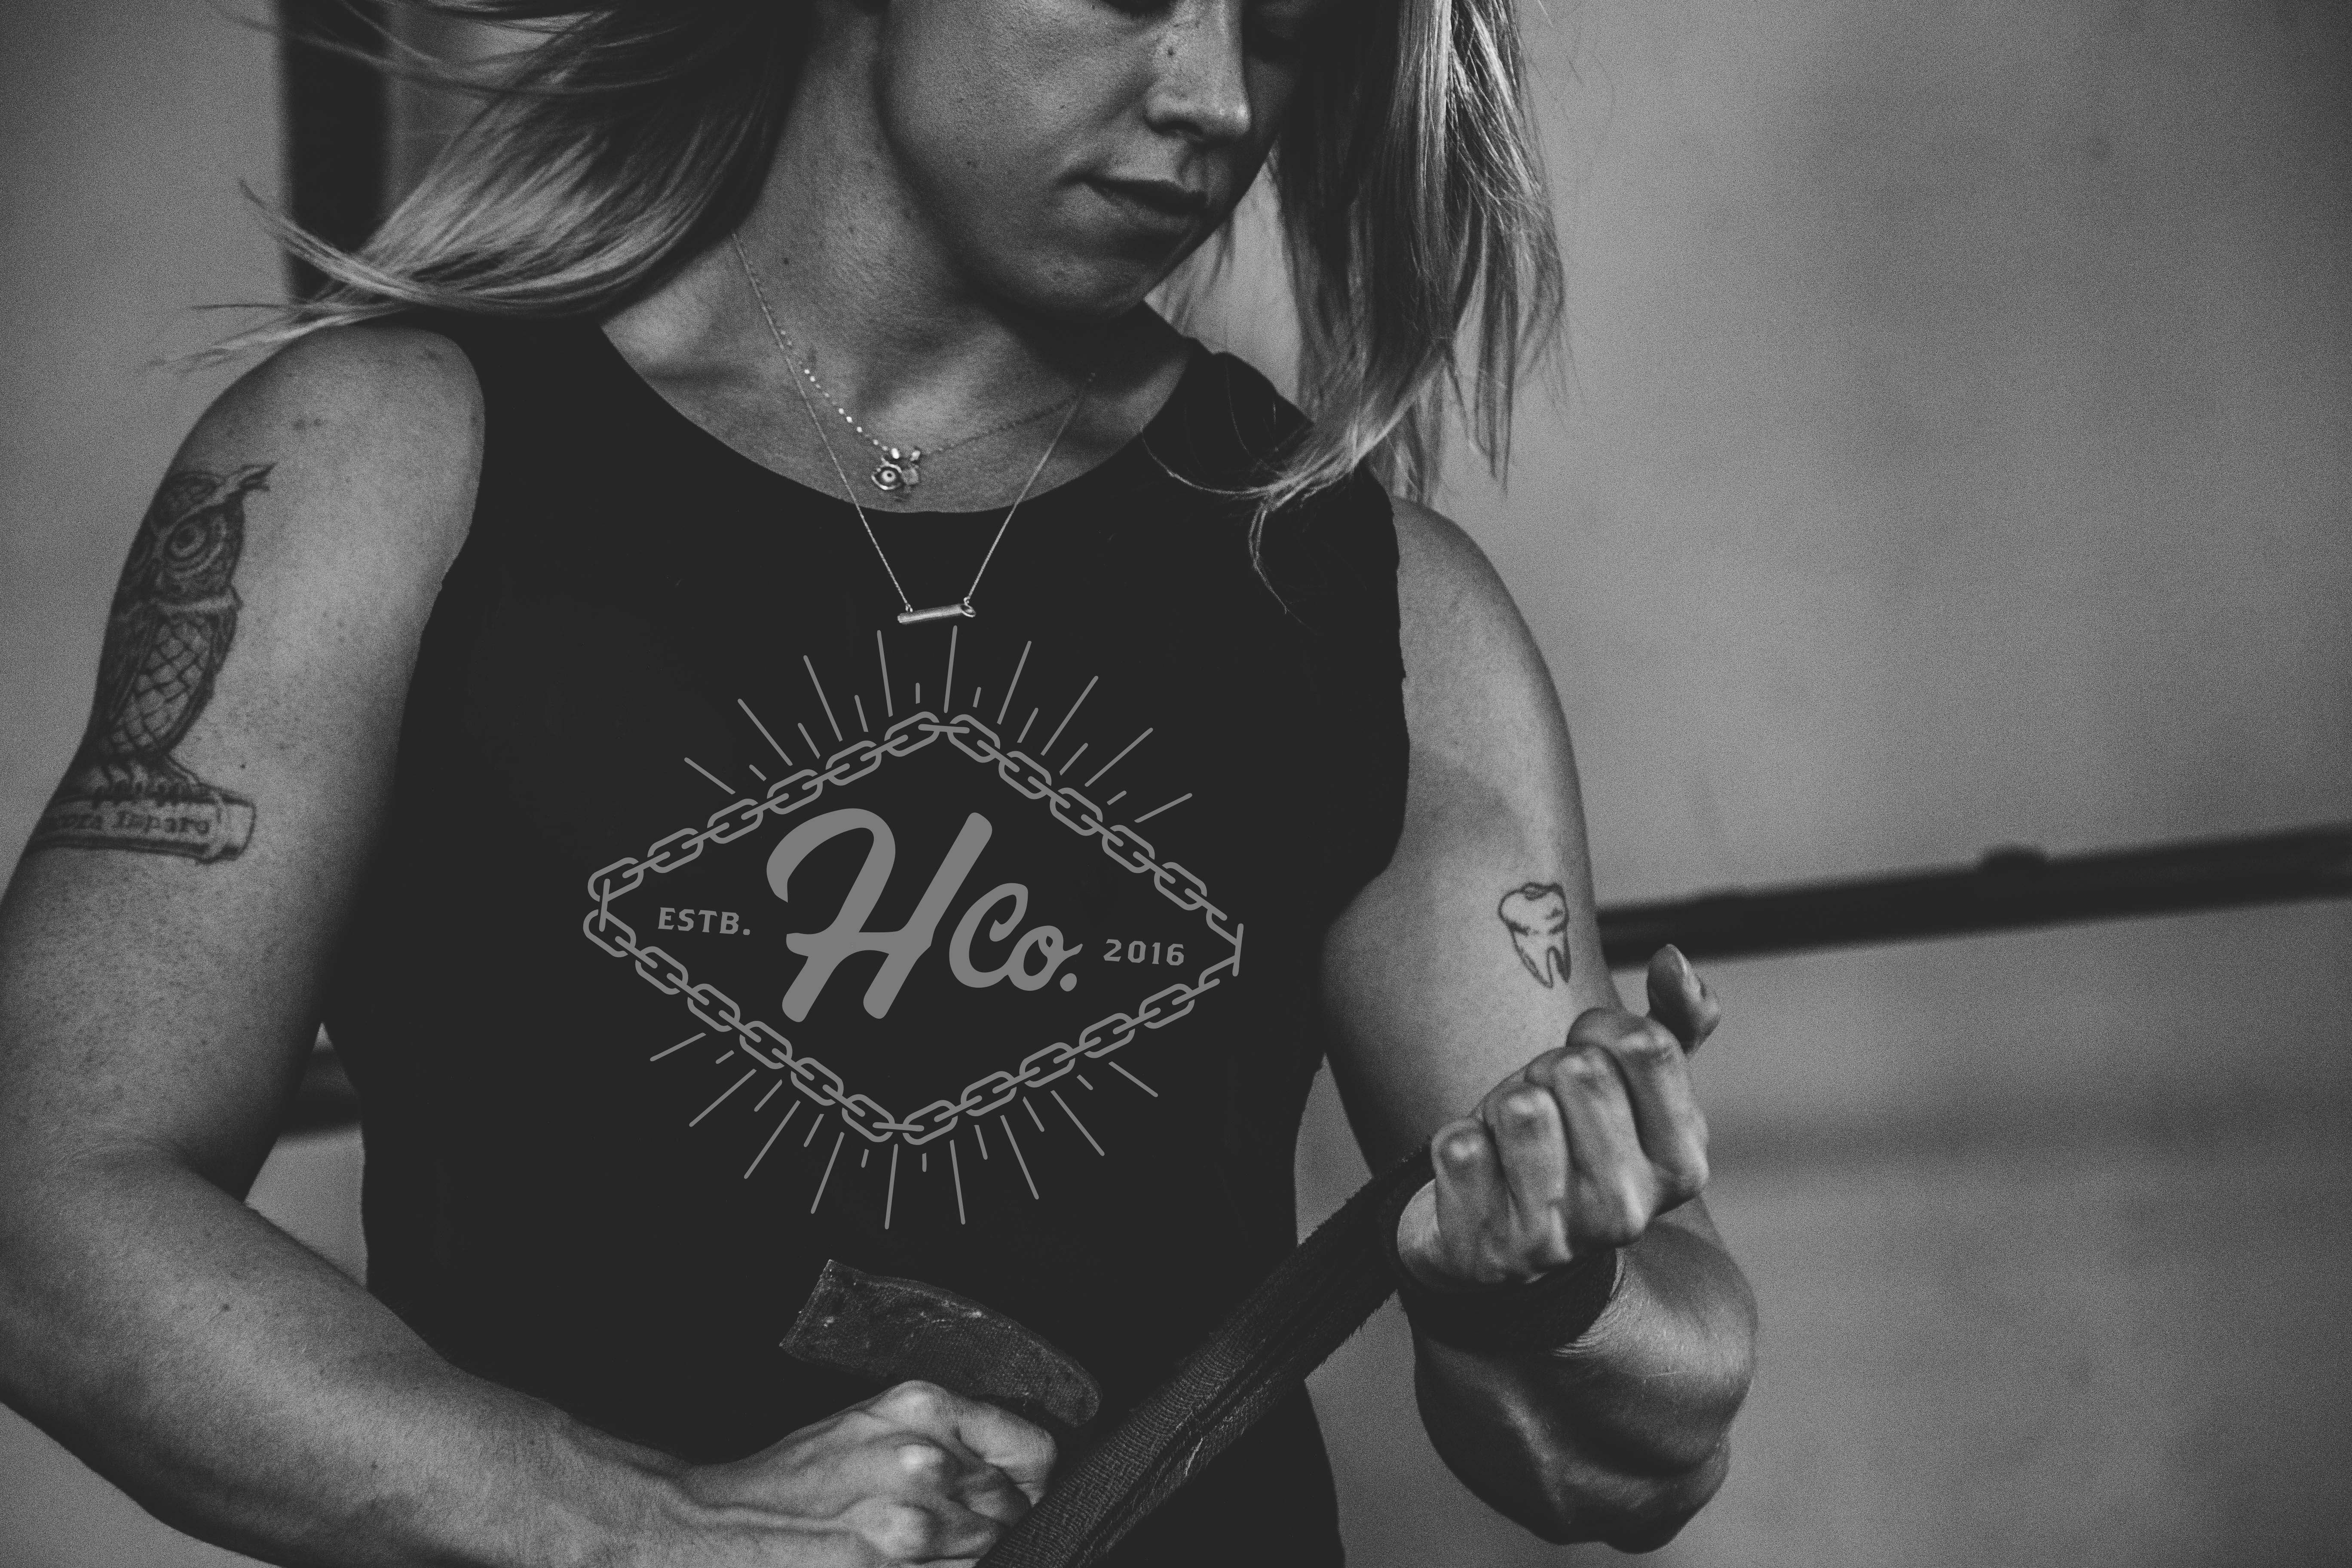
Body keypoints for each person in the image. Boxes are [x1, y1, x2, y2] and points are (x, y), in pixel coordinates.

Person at [0, 1, 1755, 1563]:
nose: (1218, 91)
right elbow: (45, 1210)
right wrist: (631, 1527)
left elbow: (1621, 1462)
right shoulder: (377, 469)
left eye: (1288, 24)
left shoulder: (1380, 607)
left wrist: (1558, 1287)